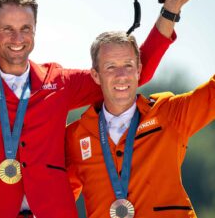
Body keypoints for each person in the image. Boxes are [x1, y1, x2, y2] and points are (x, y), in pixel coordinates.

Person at [0, 0, 191, 217]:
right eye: (8, 29)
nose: (18, 39)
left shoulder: (59, 82)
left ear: (35, 29)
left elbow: (130, 74)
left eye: (25, 28)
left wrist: (170, 11)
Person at [65, 29, 210, 217]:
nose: (121, 75)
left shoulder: (169, 113)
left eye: (128, 65)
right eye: (110, 67)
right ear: (95, 75)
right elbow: (60, 199)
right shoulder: (76, 136)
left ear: (139, 70)